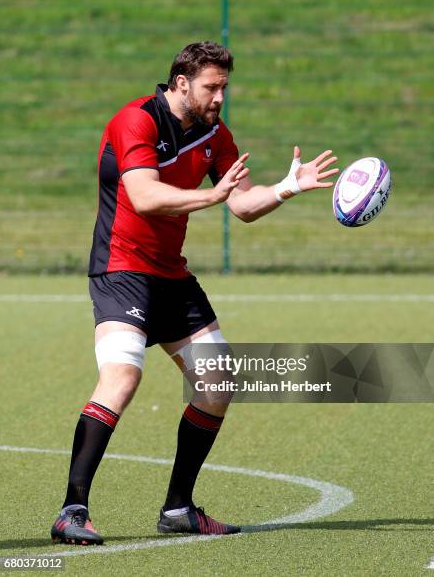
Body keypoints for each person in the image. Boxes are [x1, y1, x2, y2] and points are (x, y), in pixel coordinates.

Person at [50, 41, 338, 545]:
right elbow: (143, 196)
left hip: (170, 275)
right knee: (122, 375)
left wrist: (288, 187)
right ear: (181, 82)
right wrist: (212, 194)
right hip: (122, 268)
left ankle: (178, 508)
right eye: (212, 86)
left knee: (218, 380)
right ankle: (72, 509)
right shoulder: (136, 121)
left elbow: (242, 205)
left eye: (225, 86)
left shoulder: (214, 133)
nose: (220, 96)